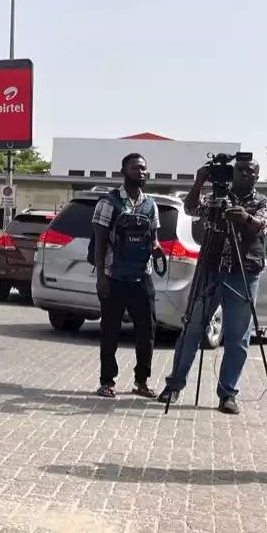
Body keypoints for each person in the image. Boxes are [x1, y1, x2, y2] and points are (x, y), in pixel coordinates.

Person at [157, 158, 267, 414]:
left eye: (250, 172)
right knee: (191, 329)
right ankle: (174, 386)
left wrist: (245, 218)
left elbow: (263, 225)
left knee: (237, 337)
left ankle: (228, 394)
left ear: (257, 176)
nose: (244, 174)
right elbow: (190, 209)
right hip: (210, 270)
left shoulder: (263, 202)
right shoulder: (215, 196)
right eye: (240, 170)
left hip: (243, 273)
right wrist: (199, 182)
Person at [89, 153, 166, 399]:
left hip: (141, 277)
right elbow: (100, 242)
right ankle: (106, 382)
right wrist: (101, 277)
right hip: (114, 276)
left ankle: (141, 381)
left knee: (147, 331)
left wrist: (156, 248)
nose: (141, 172)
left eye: (144, 168)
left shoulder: (150, 205)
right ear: (123, 171)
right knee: (110, 331)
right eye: (136, 168)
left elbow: (153, 238)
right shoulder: (108, 202)